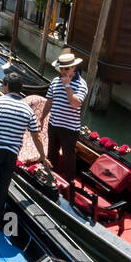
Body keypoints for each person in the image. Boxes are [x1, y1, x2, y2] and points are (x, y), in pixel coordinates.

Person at [0, 71, 52, 233]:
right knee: (3, 188)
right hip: (10, 155)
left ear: (7, 86)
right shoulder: (27, 110)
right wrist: (43, 157)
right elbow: (36, 136)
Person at [40, 51, 87, 183]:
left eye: (67, 68)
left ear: (74, 68)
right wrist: (42, 118)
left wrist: (67, 85)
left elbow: (75, 104)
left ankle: (70, 184)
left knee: (68, 157)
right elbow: (49, 101)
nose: (64, 71)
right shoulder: (55, 81)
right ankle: (50, 179)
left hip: (70, 128)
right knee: (52, 153)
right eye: (62, 69)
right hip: (54, 124)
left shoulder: (81, 84)